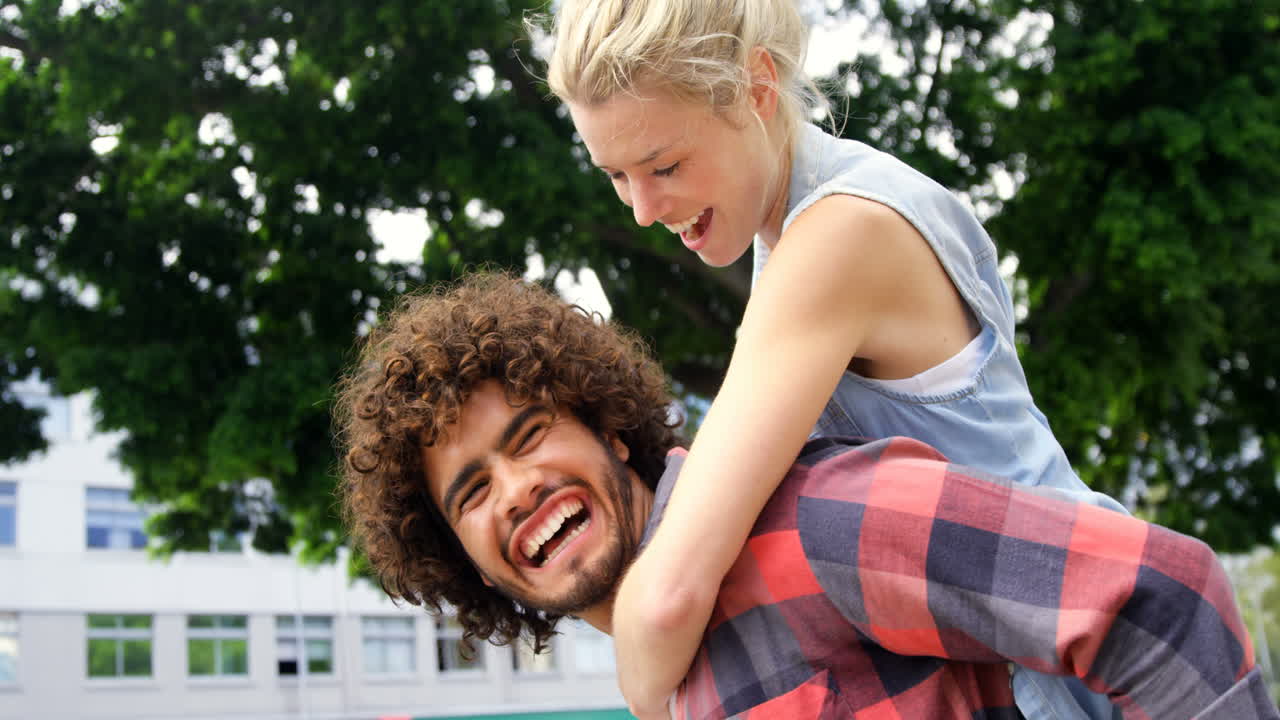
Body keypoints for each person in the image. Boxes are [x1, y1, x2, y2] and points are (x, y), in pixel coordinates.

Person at [334, 274, 1277, 720]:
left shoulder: (810, 520)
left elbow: (1169, 598)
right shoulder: (665, 687)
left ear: (612, 430)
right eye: (470, 493)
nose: (517, 490)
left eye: (529, 435)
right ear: (459, 556)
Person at [539, 1, 1125, 717]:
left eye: (664, 165)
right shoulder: (804, 218)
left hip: (1068, 670)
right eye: (616, 175)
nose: (642, 208)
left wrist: (645, 696)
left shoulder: (837, 238)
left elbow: (666, 599)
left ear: (757, 88)